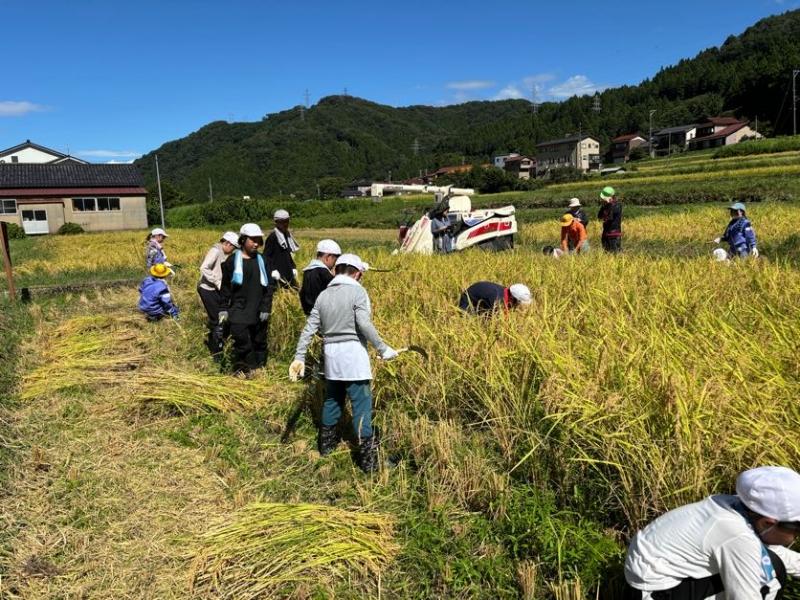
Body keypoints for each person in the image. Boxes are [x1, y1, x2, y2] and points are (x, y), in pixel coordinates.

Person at [289, 254, 398, 473]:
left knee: (332, 400)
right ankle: (369, 461)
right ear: (357, 274)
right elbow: (363, 323)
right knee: (361, 405)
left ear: (336, 270)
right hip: (353, 356)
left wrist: (299, 356)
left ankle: (326, 447)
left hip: (331, 356)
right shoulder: (358, 292)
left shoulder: (324, 295)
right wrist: (383, 348)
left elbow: (309, 328)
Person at [624, 465, 800, 599]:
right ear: (768, 522)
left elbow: (767, 552)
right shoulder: (736, 536)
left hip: (658, 576)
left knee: (772, 563)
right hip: (658, 592)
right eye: (798, 528)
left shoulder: (735, 506)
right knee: (768, 581)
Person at [219, 223, 275, 375]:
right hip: (239, 309)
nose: (256, 244)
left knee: (259, 341)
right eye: (253, 240)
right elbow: (225, 287)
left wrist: (266, 307)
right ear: (243, 240)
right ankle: (250, 368)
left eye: (258, 240)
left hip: (258, 308)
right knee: (241, 340)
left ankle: (259, 368)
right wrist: (223, 308)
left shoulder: (262, 260)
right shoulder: (232, 261)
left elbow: (269, 286)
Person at [198, 231, 239, 358]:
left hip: (216, 289)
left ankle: (219, 343)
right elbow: (203, 268)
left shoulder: (225, 253)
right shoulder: (215, 251)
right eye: (233, 247)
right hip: (207, 289)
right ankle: (216, 352)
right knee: (217, 319)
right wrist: (217, 281)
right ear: (227, 243)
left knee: (221, 317)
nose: (233, 251)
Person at [299, 239, 341, 316]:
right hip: (323, 316)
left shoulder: (307, 271)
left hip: (310, 314)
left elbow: (302, 294)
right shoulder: (323, 273)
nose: (334, 264)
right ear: (328, 257)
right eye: (335, 260)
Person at [263, 209, 299, 288]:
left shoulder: (287, 236)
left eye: (287, 221)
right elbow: (266, 256)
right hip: (278, 275)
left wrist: (293, 267)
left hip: (288, 271)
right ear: (276, 222)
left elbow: (288, 254)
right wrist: (273, 270)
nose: (285, 224)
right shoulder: (272, 237)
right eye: (282, 221)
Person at [458, 281, 532, 315]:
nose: (517, 306)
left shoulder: (504, 292)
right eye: (518, 303)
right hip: (467, 304)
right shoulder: (496, 299)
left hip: (480, 303)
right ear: (513, 298)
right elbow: (496, 322)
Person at [598, 186, 623, 253]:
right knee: (606, 252)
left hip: (614, 234)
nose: (603, 200)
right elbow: (599, 216)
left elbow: (610, 217)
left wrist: (609, 205)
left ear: (611, 197)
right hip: (605, 233)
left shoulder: (617, 205)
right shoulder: (605, 205)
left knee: (615, 253)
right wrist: (604, 206)